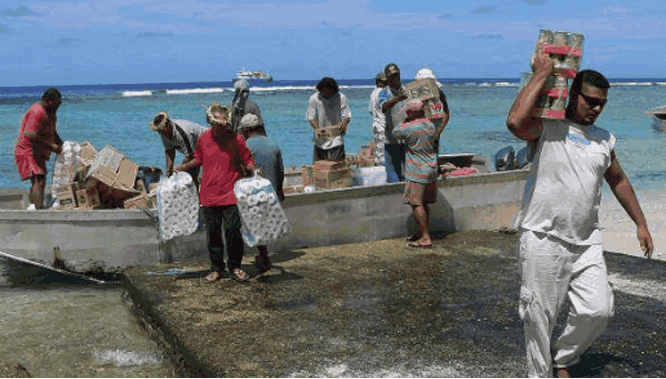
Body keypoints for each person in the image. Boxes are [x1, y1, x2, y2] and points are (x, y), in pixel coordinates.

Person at [506, 42, 654, 378]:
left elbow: (618, 181)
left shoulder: (604, 139)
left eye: (602, 103)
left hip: (586, 241)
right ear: (573, 95)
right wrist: (543, 74)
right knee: (538, 317)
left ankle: (565, 357)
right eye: (591, 101)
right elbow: (515, 122)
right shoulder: (546, 127)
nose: (597, 109)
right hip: (543, 236)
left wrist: (641, 225)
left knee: (598, 310)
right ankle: (540, 374)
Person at [175, 102, 255, 283]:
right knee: (213, 235)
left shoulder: (237, 139)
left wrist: (255, 172)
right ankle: (217, 268)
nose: (223, 126)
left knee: (233, 232)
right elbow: (198, 159)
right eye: (218, 123)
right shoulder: (204, 138)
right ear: (211, 123)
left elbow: (247, 160)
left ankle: (235, 266)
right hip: (209, 195)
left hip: (232, 194)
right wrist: (182, 167)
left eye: (225, 123)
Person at [237, 113, 285, 272]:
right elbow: (280, 171)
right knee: (264, 225)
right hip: (271, 194)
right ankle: (263, 256)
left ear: (245, 130)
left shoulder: (245, 146)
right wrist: (280, 190)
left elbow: (242, 171)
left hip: (254, 194)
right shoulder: (274, 144)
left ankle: (263, 258)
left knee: (255, 227)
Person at [392, 98, 439, 248]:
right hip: (431, 168)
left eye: (408, 111)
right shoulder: (430, 125)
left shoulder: (407, 128)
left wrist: (405, 120)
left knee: (416, 203)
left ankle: (425, 237)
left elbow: (395, 133)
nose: (406, 112)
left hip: (416, 170)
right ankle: (422, 232)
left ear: (412, 112)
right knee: (424, 203)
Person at [14, 88, 64, 209]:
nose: (58, 107)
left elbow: (52, 131)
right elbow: (30, 134)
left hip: (39, 149)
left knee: (39, 179)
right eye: (56, 104)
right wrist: (51, 146)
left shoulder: (51, 111)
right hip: (28, 149)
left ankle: (33, 205)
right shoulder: (37, 112)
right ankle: (39, 210)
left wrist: (62, 145)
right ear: (47, 100)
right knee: (39, 178)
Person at [149, 111, 208, 187]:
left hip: (207, 145)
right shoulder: (164, 133)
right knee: (186, 171)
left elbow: (190, 156)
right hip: (195, 150)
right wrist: (169, 169)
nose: (160, 134)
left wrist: (180, 168)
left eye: (161, 131)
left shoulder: (183, 132)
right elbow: (170, 150)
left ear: (167, 126)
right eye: (158, 132)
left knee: (196, 174)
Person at [305, 77, 352, 163]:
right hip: (320, 138)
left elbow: (347, 115)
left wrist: (343, 123)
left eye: (328, 92)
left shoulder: (341, 97)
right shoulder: (314, 98)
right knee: (319, 167)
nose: (325, 94)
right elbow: (311, 117)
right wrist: (317, 128)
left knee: (337, 166)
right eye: (323, 92)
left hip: (336, 137)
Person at [378, 63, 409, 182]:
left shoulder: (408, 90)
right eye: (391, 76)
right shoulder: (384, 92)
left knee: (409, 173)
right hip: (391, 138)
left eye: (396, 75)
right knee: (393, 175)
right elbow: (383, 106)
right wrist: (397, 99)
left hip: (408, 138)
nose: (394, 78)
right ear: (387, 78)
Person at [369, 71, 388, 166]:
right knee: (384, 150)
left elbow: (370, 110)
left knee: (378, 149)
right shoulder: (383, 92)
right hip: (383, 124)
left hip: (376, 123)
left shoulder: (373, 93)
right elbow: (385, 107)